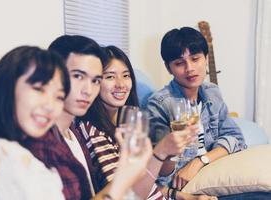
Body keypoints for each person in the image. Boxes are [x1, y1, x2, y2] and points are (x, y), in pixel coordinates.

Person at [79, 45, 217, 200]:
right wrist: (161, 152)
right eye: (110, 77)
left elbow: (146, 180)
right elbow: (126, 194)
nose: (121, 84)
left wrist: (183, 195)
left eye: (126, 75)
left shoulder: (126, 124)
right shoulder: (94, 132)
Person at [146, 27, 246, 198]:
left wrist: (200, 161)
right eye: (179, 63)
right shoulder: (159, 104)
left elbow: (237, 138)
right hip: (181, 186)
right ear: (168, 68)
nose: (190, 68)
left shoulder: (212, 91)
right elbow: (159, 172)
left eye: (195, 59)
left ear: (206, 59)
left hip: (211, 169)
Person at [0, 46, 71, 200]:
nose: (50, 106)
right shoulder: (6, 153)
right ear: (7, 86)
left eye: (59, 97)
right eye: (39, 89)